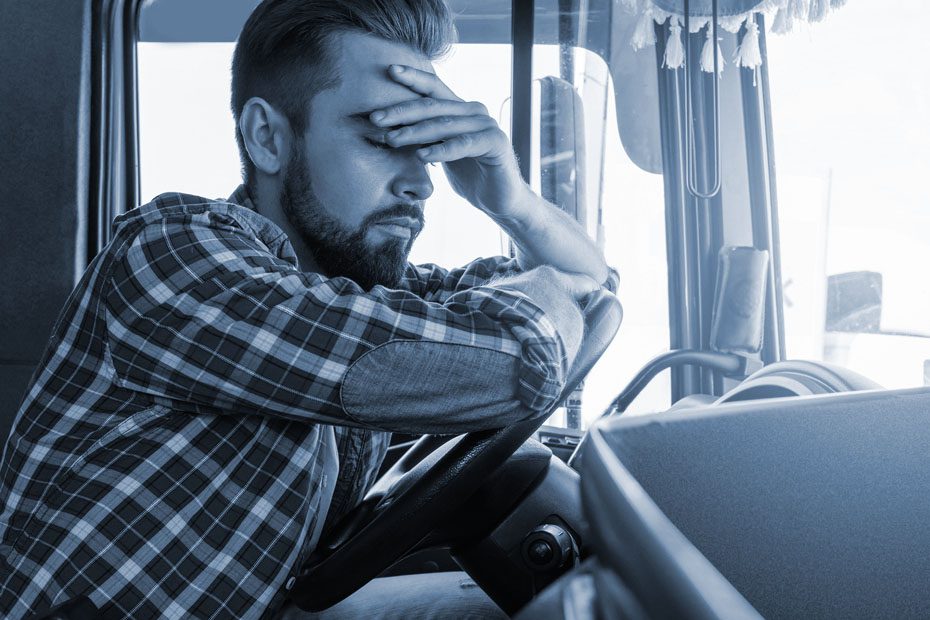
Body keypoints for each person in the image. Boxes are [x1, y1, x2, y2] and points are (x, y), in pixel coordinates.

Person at [0, 0, 617, 618]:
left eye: (427, 145)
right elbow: (519, 358)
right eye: (384, 138)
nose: (423, 182)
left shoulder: (350, 295)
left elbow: (584, 289)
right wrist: (540, 310)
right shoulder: (174, 260)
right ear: (268, 137)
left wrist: (512, 202)